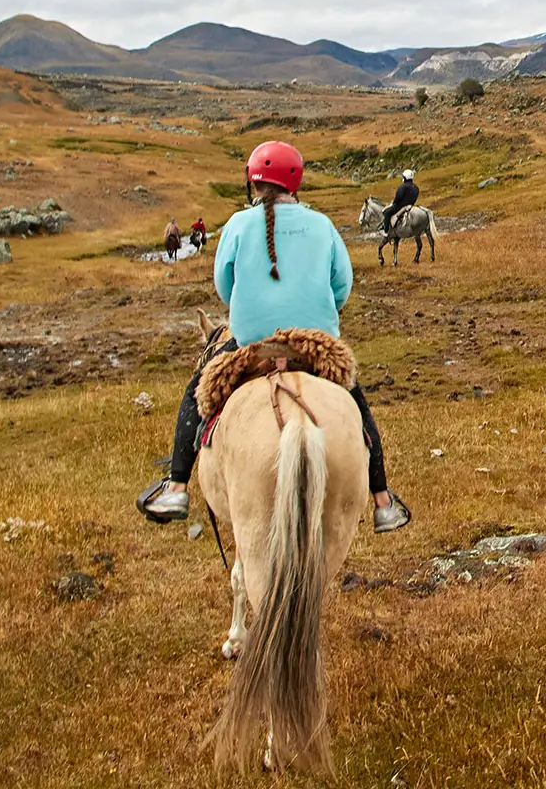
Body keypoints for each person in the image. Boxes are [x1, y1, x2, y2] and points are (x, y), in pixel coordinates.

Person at [138, 141, 411, 534]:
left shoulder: (236, 224)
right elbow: (342, 287)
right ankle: (383, 501)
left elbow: (224, 286)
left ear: (254, 183)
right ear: (295, 183)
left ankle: (177, 488)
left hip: (253, 345)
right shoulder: (322, 225)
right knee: (355, 401)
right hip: (313, 345)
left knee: (198, 389)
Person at [381, 169, 419, 235]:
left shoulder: (403, 186)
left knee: (387, 212)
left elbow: (398, 197)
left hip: (401, 206)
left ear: (405, 177)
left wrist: (394, 203)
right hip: (411, 205)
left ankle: (386, 231)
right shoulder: (416, 187)